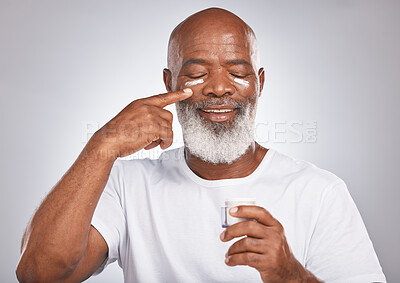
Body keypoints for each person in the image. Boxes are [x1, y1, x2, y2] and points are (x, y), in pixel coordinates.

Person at [16, 7, 386, 283]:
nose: (219, 88)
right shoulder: (127, 185)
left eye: (238, 73)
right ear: (169, 82)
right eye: (196, 74)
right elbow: (39, 273)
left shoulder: (318, 192)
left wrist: (291, 274)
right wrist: (102, 145)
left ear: (259, 83)